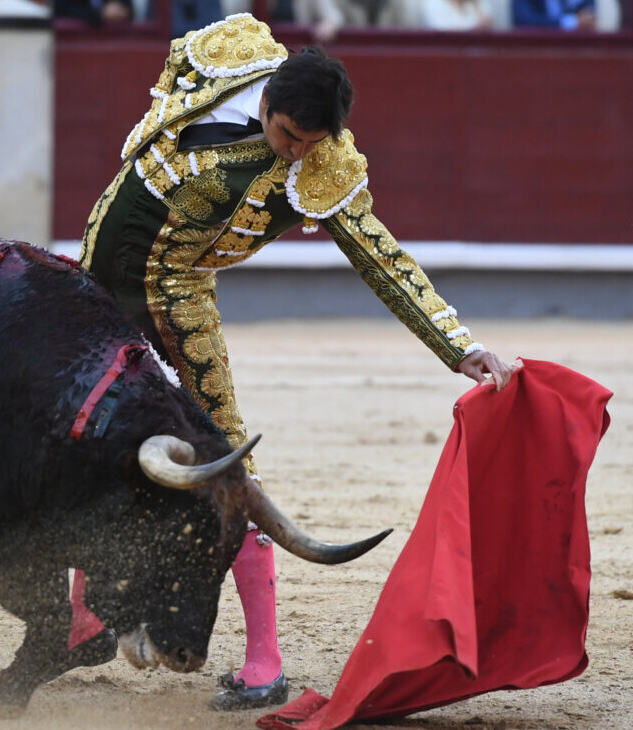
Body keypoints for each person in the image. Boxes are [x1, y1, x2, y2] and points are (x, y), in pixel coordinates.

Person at [72, 13, 515, 712]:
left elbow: (381, 257)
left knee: (227, 463)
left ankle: (263, 662)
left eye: (311, 144)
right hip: (93, 278)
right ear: (267, 99)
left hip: (177, 297)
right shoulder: (227, 55)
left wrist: (457, 346)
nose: (296, 154)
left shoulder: (324, 166)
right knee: (80, 440)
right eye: (287, 136)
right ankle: (83, 619)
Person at [512, 0, 597, 28]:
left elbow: (588, 17)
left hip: (574, 49)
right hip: (536, 49)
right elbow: (522, 20)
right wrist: (572, 22)